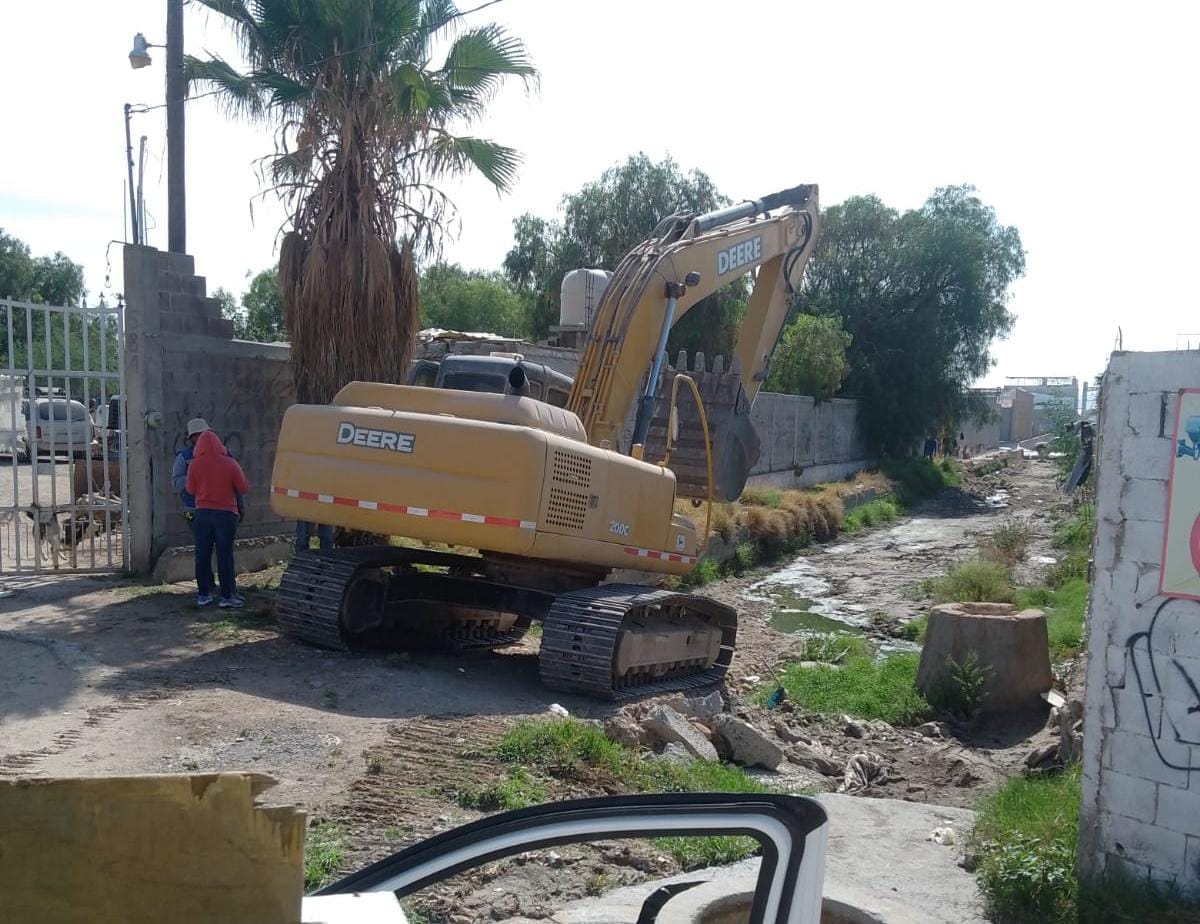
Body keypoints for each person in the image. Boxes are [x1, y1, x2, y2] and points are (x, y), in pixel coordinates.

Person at [185, 428, 250, 608]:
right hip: (226, 514)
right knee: (225, 555)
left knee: (202, 555)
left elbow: (190, 489)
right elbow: (243, 487)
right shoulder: (230, 463)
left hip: (202, 514)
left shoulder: (194, 464)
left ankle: (203, 595)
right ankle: (227, 596)